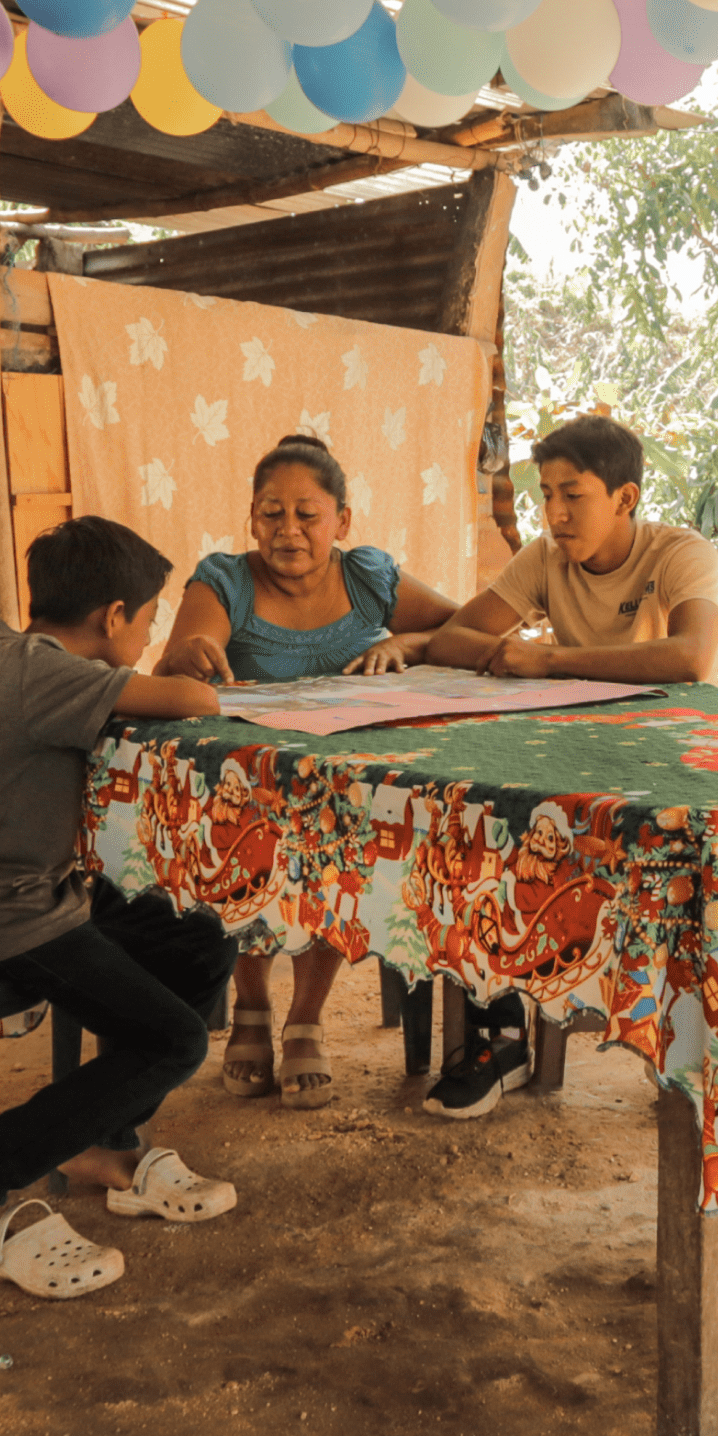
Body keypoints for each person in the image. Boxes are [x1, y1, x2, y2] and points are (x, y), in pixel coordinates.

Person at [0, 516, 241, 1302]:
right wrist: (185, 669)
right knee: (174, 1040)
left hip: (23, 894)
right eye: (152, 615)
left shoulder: (10, 655)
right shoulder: (44, 674)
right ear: (114, 617)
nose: (154, 628)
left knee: (198, 938)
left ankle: (100, 1142)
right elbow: (195, 699)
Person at [420, 413, 718, 1121]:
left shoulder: (680, 553)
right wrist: (509, 650)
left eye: (574, 496)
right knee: (485, 841)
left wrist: (551, 660)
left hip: (673, 767)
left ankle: (682, 1047)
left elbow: (691, 658)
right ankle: (501, 1038)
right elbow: (455, 637)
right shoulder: (545, 560)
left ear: (624, 499)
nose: (556, 514)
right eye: (546, 497)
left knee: (668, 885)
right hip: (573, 761)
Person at [154, 434, 462, 1106]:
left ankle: (307, 1017)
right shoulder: (225, 579)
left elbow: (463, 630)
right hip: (248, 795)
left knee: (338, 841)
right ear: (251, 518)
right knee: (251, 838)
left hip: (345, 795)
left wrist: (403, 643)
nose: (286, 530)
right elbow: (180, 657)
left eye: (306, 514)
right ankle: (253, 1007)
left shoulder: (369, 577)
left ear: (342, 522)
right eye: (270, 513)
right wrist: (194, 650)